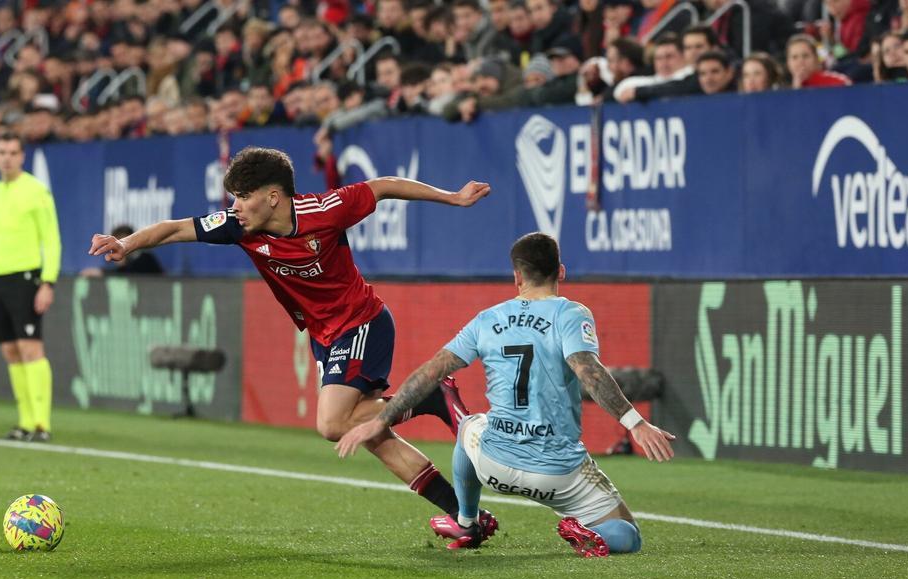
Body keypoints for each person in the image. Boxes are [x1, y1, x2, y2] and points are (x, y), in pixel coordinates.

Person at [89, 147, 496, 526]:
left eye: (242, 197)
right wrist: (125, 243)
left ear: (272, 196)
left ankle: (429, 395)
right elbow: (173, 229)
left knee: (332, 423)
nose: (234, 208)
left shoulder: (326, 211)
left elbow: (384, 186)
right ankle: (466, 517)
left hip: (360, 322)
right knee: (371, 433)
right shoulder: (238, 226)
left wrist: (452, 197)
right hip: (326, 336)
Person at [336, 233, 675, 555]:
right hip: (558, 474)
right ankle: (590, 534)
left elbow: (431, 372)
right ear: (560, 271)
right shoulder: (570, 313)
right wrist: (636, 423)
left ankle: (466, 520)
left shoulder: (488, 319)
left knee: (469, 426)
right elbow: (590, 372)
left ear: (516, 276)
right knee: (628, 535)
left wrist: (382, 419)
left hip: (495, 465)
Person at [0, 133, 61, 443]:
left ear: (22, 156)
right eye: (1, 152)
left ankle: (42, 424)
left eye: (13, 152)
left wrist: (48, 281)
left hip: (25, 276)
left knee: (31, 347)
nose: (6, 158)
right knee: (11, 350)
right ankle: (25, 422)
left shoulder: (36, 191)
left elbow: (52, 239)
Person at [81, 224, 165, 277]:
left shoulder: (145, 258)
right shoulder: (123, 266)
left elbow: (129, 273)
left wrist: (102, 273)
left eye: (123, 243)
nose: (118, 248)